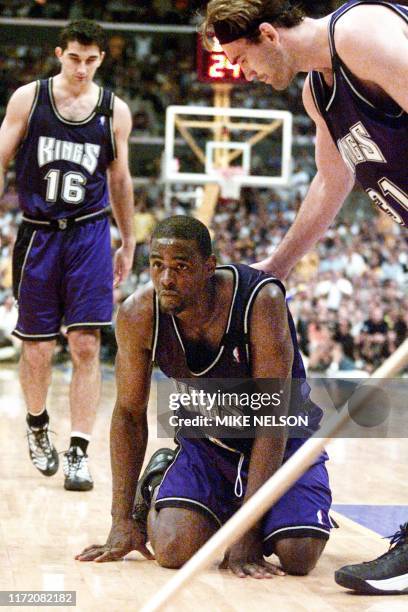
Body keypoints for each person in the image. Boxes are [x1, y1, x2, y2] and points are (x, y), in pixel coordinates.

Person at [201, 0, 408, 594]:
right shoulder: (320, 93)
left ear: (269, 34)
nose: (243, 74)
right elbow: (331, 178)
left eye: (242, 59)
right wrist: (276, 267)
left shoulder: (360, 35)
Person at [76, 215, 334, 578]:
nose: (166, 278)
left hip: (284, 438)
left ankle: (244, 513)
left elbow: (272, 418)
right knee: (172, 550)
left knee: (298, 554)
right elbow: (129, 415)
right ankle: (157, 484)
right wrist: (121, 519)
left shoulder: (261, 300)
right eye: (157, 265)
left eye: (181, 267)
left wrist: (246, 530)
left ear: (208, 267)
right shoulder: (139, 314)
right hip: (210, 441)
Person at [0, 20, 135, 491]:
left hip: (90, 234)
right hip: (39, 234)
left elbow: (119, 180)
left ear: (101, 59)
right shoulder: (29, 99)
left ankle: (78, 450)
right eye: (74, 58)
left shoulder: (113, 110)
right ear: (60, 53)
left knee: (85, 344)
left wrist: (130, 239)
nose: (81, 68)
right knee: (36, 347)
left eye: (91, 60)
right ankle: (38, 427)